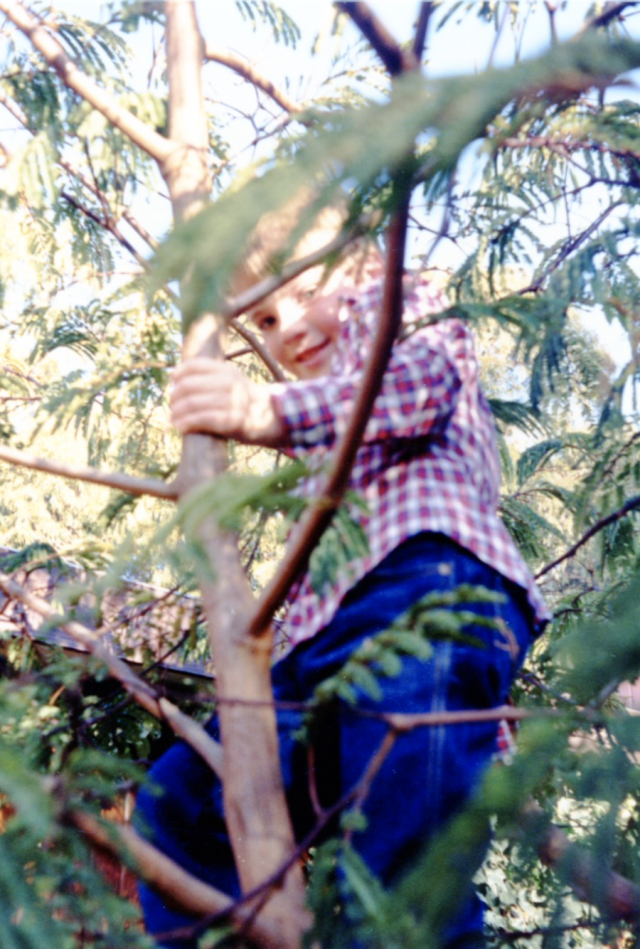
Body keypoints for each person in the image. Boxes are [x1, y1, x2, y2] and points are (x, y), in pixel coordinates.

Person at [135, 198, 549, 949]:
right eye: (260, 319)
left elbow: (412, 387)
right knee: (181, 799)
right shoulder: (323, 442)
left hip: (429, 590)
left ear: (364, 265)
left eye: (304, 286)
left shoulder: (408, 307)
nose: (286, 327)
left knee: (400, 872)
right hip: (323, 653)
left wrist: (266, 412)